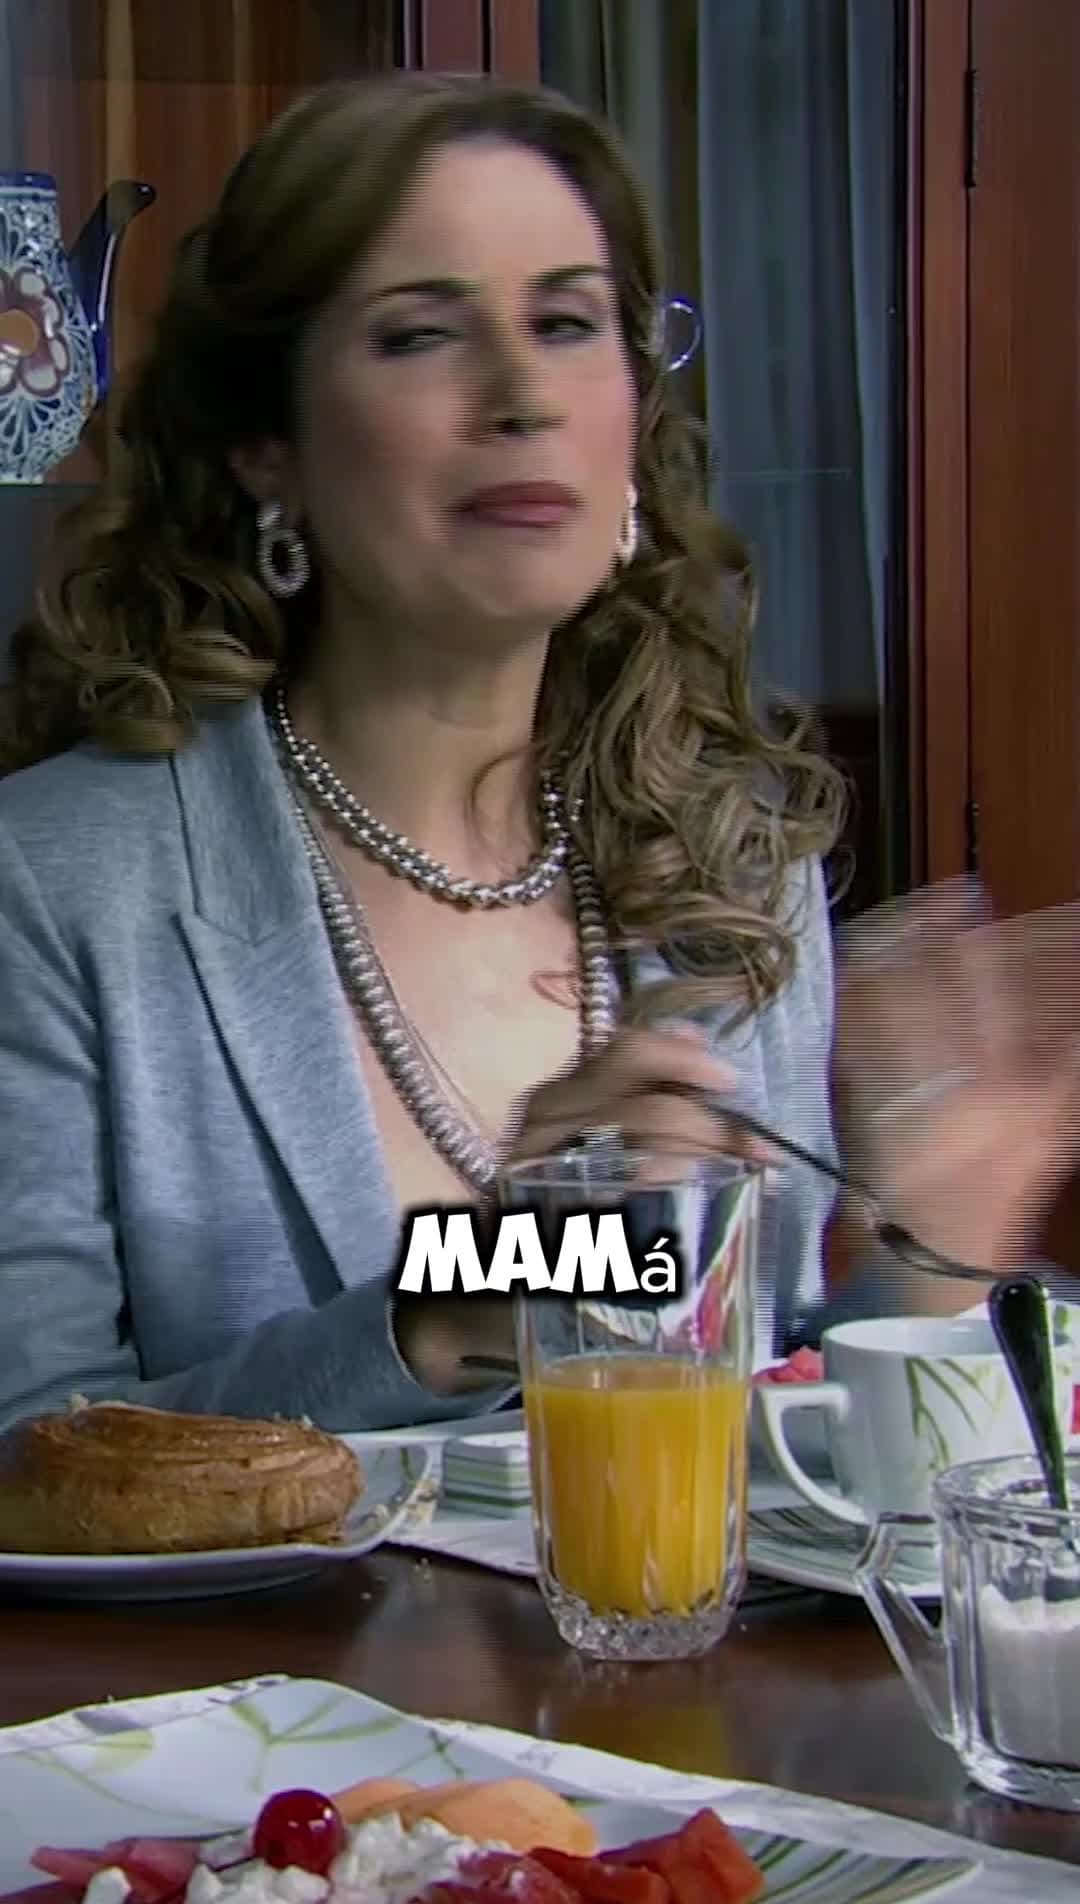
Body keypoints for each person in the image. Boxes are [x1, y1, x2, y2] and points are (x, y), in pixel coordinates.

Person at [0, 73, 1075, 1435]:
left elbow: (770, 1444)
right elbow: (32, 1458)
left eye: (567, 324)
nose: (522, 395)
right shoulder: (54, 883)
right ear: (268, 445)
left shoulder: (729, 867)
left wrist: (936, 1249)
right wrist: (473, 1296)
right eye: (419, 335)